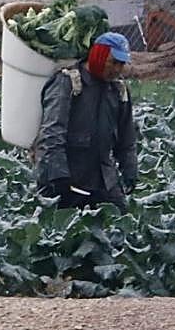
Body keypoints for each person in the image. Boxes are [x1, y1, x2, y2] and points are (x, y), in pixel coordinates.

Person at [35, 31, 138, 211]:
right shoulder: (68, 81)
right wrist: (58, 175)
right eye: (113, 62)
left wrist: (130, 169)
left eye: (121, 64)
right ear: (98, 55)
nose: (117, 69)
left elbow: (126, 137)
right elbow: (51, 133)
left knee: (121, 223)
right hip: (68, 177)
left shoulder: (118, 89)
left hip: (103, 179)